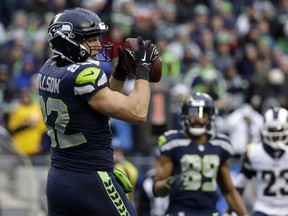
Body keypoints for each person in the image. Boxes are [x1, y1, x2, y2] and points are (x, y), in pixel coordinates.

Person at [38, 7, 159, 216]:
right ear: (68, 41)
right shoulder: (86, 74)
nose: (98, 44)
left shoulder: (49, 68)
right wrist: (142, 69)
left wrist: (120, 72)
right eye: (91, 39)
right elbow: (138, 112)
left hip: (59, 179)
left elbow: (101, 102)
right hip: (91, 178)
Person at [153, 92, 249, 216]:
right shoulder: (173, 142)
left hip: (209, 212)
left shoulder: (221, 145)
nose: (198, 118)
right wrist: (168, 183)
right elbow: (157, 189)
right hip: (180, 211)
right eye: (193, 112)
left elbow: (229, 191)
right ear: (184, 114)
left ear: (211, 116)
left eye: (203, 112)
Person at [226, 107, 288, 216]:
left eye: (280, 130)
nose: (276, 134)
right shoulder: (254, 152)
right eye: (272, 130)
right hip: (264, 209)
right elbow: (240, 185)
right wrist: (228, 212)